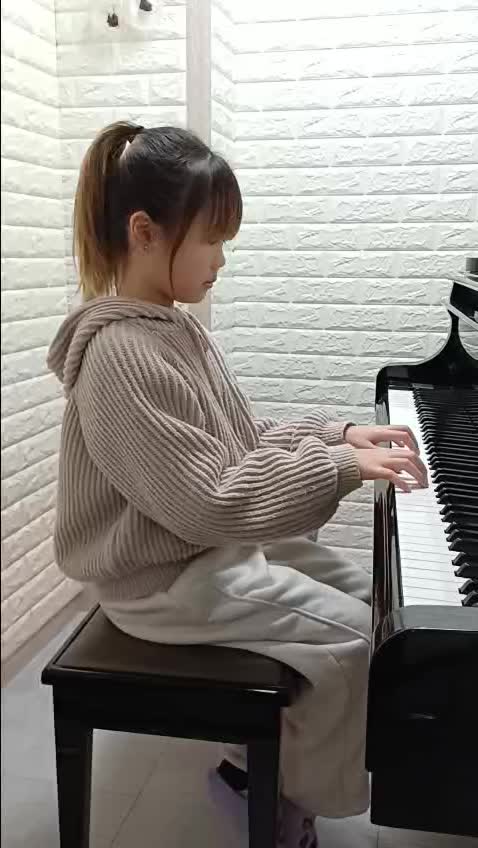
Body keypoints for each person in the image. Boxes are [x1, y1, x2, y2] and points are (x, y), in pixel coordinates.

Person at [47, 122, 428, 848]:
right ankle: (282, 799)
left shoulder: (174, 330)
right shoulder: (122, 355)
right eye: (212, 238)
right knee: (353, 642)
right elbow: (211, 500)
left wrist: (338, 435)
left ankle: (257, 760)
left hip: (199, 549)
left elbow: (239, 443)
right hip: (158, 579)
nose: (222, 258)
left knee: (381, 601)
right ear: (146, 233)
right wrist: (339, 469)